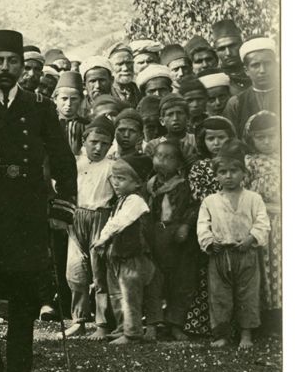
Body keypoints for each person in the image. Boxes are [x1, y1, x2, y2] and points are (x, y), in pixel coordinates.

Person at [0, 29, 76, 372]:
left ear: (22, 67)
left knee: (24, 290)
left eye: (12, 61)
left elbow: (63, 161)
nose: (5, 68)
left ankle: (20, 366)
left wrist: (61, 209)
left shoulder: (39, 107)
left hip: (28, 211)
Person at [197, 142, 269, 350]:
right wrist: (210, 242)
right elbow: (203, 224)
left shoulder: (253, 198)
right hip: (220, 255)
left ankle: (246, 334)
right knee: (219, 296)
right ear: (216, 176)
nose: (228, 176)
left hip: (246, 253)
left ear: (243, 173)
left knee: (248, 294)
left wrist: (251, 239)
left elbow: (262, 222)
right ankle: (222, 334)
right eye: (223, 172)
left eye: (234, 171)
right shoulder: (210, 201)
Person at [91, 156, 162, 344]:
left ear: (137, 182)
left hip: (133, 257)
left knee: (130, 294)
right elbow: (111, 221)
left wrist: (103, 238)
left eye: (121, 179)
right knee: (117, 294)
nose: (115, 182)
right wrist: (103, 242)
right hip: (118, 257)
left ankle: (132, 333)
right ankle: (122, 327)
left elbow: (120, 222)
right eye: (114, 177)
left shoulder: (136, 201)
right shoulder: (120, 200)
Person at [183, 116, 237, 337]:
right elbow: (200, 196)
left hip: (236, 224)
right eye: (210, 139)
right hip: (211, 223)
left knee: (237, 274)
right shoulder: (199, 167)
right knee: (209, 276)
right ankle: (207, 324)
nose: (216, 143)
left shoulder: (238, 164)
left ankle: (238, 325)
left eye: (221, 138)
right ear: (202, 141)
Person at [64, 115, 117, 338]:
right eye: (94, 142)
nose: (98, 147)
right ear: (84, 140)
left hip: (100, 218)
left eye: (104, 144)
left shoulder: (112, 166)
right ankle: (79, 319)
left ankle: (103, 323)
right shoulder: (76, 163)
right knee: (75, 271)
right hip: (77, 217)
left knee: (100, 272)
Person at [147, 140, 198, 342]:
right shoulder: (149, 185)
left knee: (180, 282)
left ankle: (175, 324)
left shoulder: (184, 185)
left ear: (178, 163)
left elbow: (193, 208)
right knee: (153, 280)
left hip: (178, 238)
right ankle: (152, 324)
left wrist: (185, 226)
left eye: (169, 157)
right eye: (159, 156)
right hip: (154, 236)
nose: (162, 161)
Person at [243, 112, 280, 336]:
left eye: (271, 136)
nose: (266, 142)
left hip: (284, 220)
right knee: (265, 269)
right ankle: (266, 319)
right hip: (262, 221)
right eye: (260, 137)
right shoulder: (250, 162)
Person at [224, 37, 278, 138]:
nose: (262, 70)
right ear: (246, 70)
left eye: (267, 63)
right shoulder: (236, 103)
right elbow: (231, 141)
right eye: (255, 65)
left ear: (275, 65)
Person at [145, 95, 199, 165]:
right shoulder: (153, 145)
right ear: (162, 121)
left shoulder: (196, 140)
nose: (175, 118)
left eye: (179, 113)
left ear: (188, 118)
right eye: (170, 114)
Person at [210, 18, 249, 92]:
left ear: (241, 44)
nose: (228, 53)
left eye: (232, 46)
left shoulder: (257, 72)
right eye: (222, 49)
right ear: (216, 52)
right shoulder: (216, 81)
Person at [53, 71, 86, 156]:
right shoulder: (49, 123)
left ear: (81, 100)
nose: (69, 104)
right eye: (64, 98)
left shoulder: (86, 125)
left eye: (74, 99)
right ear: (55, 99)